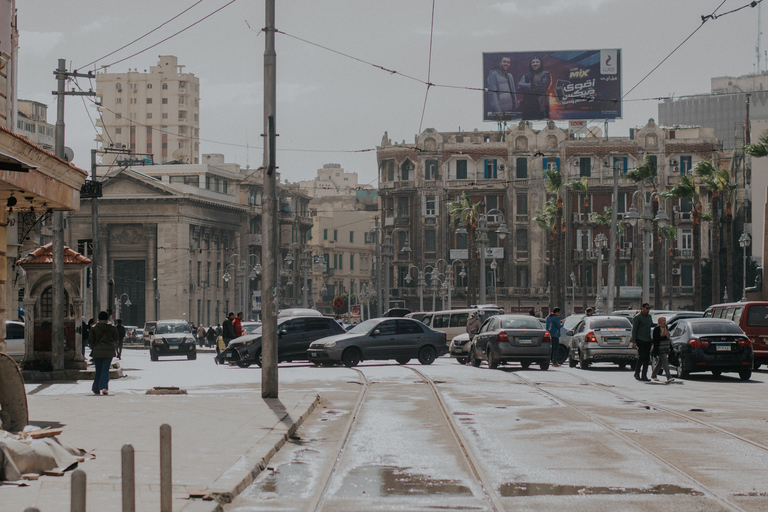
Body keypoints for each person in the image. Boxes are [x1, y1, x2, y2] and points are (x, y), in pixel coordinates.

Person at [88, 311, 118, 395]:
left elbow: (90, 340)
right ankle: (104, 386)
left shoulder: (94, 327)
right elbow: (116, 339)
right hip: (109, 351)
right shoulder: (112, 327)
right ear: (107, 318)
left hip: (97, 351)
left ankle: (96, 388)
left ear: (99, 318)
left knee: (98, 370)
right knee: (105, 369)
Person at [517, 56, 552, 120]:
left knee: (543, 127)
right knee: (526, 128)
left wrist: (527, 90)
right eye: (533, 62)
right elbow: (519, 87)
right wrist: (530, 85)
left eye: (537, 62)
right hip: (527, 108)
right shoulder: (526, 76)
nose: (535, 64)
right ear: (531, 64)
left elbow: (541, 89)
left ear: (540, 63)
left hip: (540, 107)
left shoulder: (546, 74)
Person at [632, 303, 654, 381]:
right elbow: (634, 330)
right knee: (641, 356)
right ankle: (637, 373)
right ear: (642, 308)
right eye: (647, 308)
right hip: (640, 339)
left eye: (649, 308)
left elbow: (651, 327)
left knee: (647, 359)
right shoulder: (637, 317)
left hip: (647, 340)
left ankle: (644, 375)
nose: (648, 310)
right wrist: (634, 342)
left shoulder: (649, 317)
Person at [651, 316, 675, 383]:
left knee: (660, 362)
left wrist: (671, 348)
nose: (664, 322)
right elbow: (656, 339)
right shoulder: (657, 329)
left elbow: (668, 339)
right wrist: (664, 337)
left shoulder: (666, 328)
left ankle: (654, 375)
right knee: (665, 362)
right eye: (663, 320)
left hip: (666, 348)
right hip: (660, 349)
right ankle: (669, 377)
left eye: (665, 320)